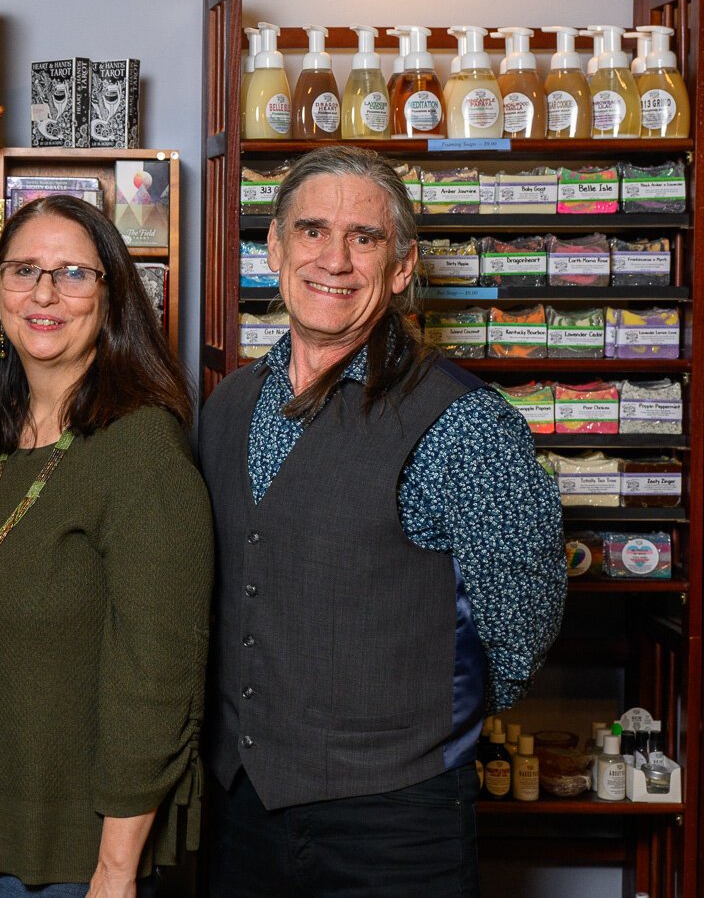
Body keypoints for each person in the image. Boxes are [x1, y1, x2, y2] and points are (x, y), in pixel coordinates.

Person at [199, 146, 566, 897]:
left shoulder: (466, 423)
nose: (334, 258)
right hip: (241, 811)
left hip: (396, 831)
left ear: (400, 267)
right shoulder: (227, 406)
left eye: (364, 237)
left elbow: (521, 624)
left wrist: (407, 731)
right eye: (311, 230)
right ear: (273, 248)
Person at [0, 195, 213, 897]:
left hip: (75, 857)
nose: (44, 293)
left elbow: (159, 678)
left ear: (113, 297)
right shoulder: (0, 432)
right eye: (23, 270)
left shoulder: (142, 448)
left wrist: (114, 870)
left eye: (73, 273)